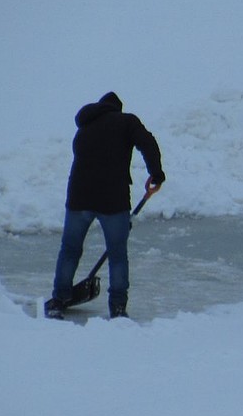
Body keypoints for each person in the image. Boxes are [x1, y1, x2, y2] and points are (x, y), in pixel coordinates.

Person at [45, 91, 166, 319]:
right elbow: (147, 142)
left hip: (79, 197)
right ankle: (118, 307)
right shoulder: (126, 121)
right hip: (113, 200)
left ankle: (58, 300)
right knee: (118, 254)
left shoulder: (84, 127)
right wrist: (156, 174)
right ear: (116, 109)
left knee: (70, 249)